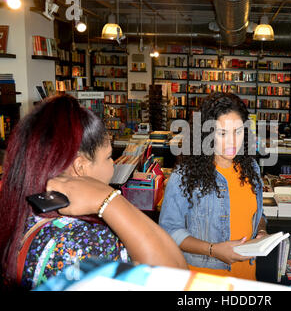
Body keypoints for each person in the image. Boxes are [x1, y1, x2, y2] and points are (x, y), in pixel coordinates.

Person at [0, 94, 187, 290]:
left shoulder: (20, 213)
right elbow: (176, 278)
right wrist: (108, 199)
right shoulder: (86, 242)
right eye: (108, 157)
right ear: (80, 167)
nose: (113, 163)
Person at [159, 92, 266, 280]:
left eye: (238, 131)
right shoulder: (185, 176)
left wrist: (262, 232)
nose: (233, 141)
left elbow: (258, 215)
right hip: (205, 279)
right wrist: (213, 250)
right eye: (222, 133)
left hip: (247, 277)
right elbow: (169, 230)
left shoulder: (252, 169)